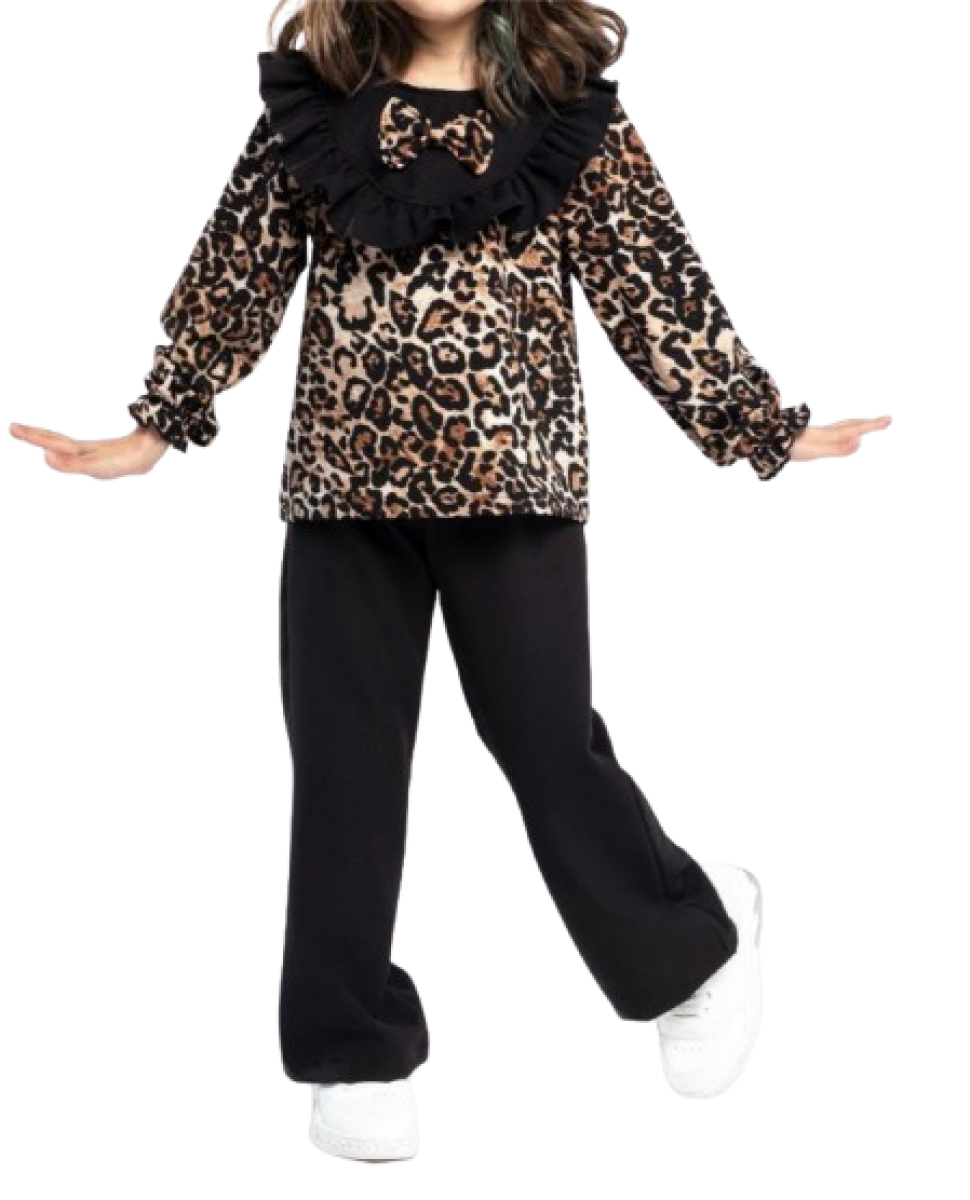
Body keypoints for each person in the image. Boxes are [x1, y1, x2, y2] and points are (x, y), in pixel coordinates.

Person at [6, 0, 894, 1165]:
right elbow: (235, 270)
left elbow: (653, 281)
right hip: (342, 496)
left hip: (517, 489)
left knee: (545, 739)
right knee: (342, 773)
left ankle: (693, 941)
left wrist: (760, 427)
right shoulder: (308, 105)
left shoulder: (571, 110)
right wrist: (156, 427)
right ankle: (351, 1051)